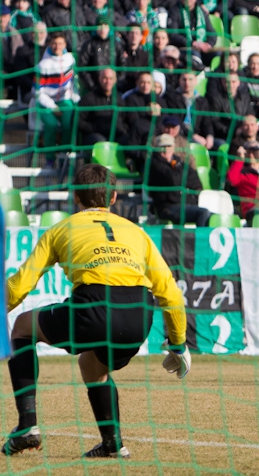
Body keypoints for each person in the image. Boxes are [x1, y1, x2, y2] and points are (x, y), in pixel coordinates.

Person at [3, 164, 189, 458]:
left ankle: (27, 425)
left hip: (93, 305)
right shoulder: (137, 232)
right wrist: (178, 343)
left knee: (23, 327)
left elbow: (21, 285)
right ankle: (113, 445)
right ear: (114, 198)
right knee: (91, 365)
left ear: (75, 198)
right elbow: (169, 291)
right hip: (138, 315)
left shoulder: (60, 229)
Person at [147, 134, 211, 226]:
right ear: (157, 148)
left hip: (185, 203)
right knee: (203, 213)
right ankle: (199, 240)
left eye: (168, 146)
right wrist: (182, 180)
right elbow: (173, 180)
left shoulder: (178, 161)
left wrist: (179, 179)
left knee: (212, 217)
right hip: (167, 207)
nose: (166, 149)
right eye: (162, 147)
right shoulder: (154, 164)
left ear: (173, 147)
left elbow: (195, 180)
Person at [35, 32, 79, 165]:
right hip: (45, 103)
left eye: (60, 43)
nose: (57, 46)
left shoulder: (70, 60)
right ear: (50, 44)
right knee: (51, 125)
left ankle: (64, 155)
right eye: (54, 43)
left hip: (64, 100)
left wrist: (76, 98)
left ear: (65, 44)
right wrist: (52, 106)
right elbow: (37, 92)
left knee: (69, 123)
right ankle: (49, 158)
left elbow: (74, 83)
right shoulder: (42, 65)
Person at [77, 68, 124, 146]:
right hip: (94, 136)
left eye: (110, 78)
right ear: (99, 79)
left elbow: (125, 118)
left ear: (115, 80)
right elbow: (77, 120)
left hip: (115, 134)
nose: (108, 81)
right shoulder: (88, 99)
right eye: (105, 78)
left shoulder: (119, 100)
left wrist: (122, 129)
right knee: (101, 143)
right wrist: (93, 128)